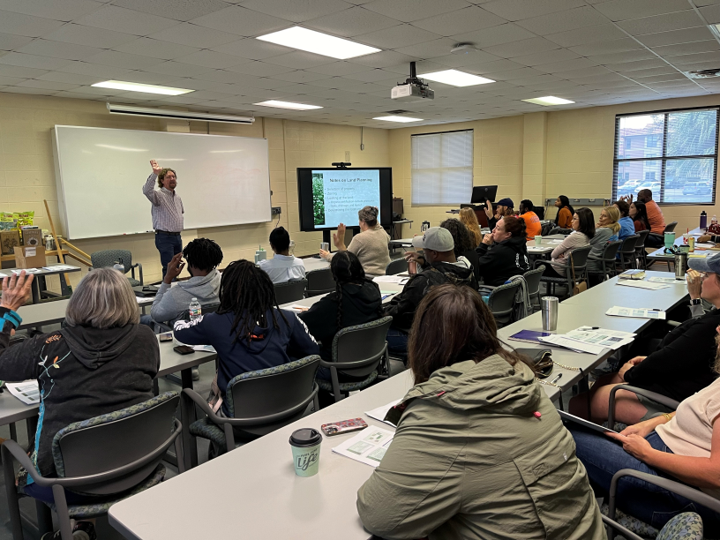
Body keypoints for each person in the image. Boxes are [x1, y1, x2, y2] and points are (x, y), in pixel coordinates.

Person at [357, 284, 605, 540]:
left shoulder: (442, 410)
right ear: (488, 328)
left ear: (421, 342)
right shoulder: (521, 377)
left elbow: (379, 515)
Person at [0, 269, 159, 540]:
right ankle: (83, 523)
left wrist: (7, 309)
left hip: (65, 484)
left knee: (18, 449)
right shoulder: (145, 339)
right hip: (137, 467)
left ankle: (74, 521)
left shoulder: (49, 346)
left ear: (76, 302)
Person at [569, 333, 720, 535]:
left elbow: (716, 474)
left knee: (564, 435)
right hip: (660, 460)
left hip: (674, 490)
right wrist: (654, 422)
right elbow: (698, 409)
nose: (717, 328)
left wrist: (647, 454)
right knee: (577, 440)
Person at [569, 255, 720, 425]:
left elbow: (671, 357)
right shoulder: (713, 319)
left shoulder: (712, 327)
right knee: (604, 381)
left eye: (706, 275)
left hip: (676, 399)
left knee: (578, 404)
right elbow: (684, 353)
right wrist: (647, 362)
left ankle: (598, 441)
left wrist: (630, 373)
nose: (701, 278)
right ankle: (602, 424)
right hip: (681, 380)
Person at [173, 260, 319, 416]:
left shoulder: (214, 322)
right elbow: (313, 350)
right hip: (290, 410)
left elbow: (180, 331)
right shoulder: (286, 318)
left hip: (240, 422)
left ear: (226, 290)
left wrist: (179, 320)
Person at [384, 228, 477, 355]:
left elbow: (400, 314)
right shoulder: (467, 270)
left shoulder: (424, 281)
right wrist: (425, 263)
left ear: (434, 254)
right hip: (456, 334)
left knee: (374, 334)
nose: (423, 252)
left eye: (425, 250)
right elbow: (444, 272)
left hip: (427, 339)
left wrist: (382, 310)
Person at [299, 251, 381, 377]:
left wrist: (310, 312)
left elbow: (301, 327)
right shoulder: (374, 290)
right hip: (371, 362)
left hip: (337, 369)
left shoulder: (332, 303)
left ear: (333, 274)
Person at [147, 238, 223, 325]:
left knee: (143, 319)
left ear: (191, 263)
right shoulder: (225, 283)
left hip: (183, 336)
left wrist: (167, 279)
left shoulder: (175, 295)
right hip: (214, 333)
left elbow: (156, 314)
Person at [320, 206, 390, 277]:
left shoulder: (359, 238)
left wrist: (327, 256)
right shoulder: (383, 233)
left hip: (367, 278)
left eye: (359, 221)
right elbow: (349, 256)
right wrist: (374, 214)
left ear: (363, 222)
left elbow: (346, 261)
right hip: (386, 276)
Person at [143, 160, 184, 278]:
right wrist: (155, 174)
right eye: (168, 177)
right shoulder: (158, 195)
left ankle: (174, 292)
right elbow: (146, 191)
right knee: (169, 267)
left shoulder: (177, 197)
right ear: (162, 180)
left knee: (176, 267)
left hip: (177, 237)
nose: (172, 179)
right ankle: (167, 294)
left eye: (173, 176)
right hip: (165, 237)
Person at [538, 207, 594, 278]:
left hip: (559, 269)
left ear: (583, 221)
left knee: (534, 266)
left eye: (574, 219)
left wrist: (560, 254)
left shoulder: (574, 236)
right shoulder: (586, 236)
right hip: (572, 270)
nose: (571, 221)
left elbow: (553, 254)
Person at [476, 216, 530, 286]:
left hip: (498, 292)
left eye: (497, 228)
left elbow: (476, 268)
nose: (493, 230)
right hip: (516, 290)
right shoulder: (520, 245)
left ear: (508, 234)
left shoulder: (500, 251)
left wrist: (483, 245)